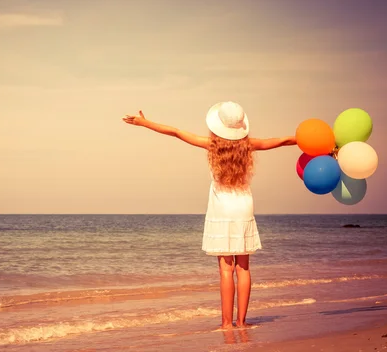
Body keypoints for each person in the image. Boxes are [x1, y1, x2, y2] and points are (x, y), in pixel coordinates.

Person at [122, 101, 296, 329]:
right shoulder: (249, 146)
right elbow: (283, 141)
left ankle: (226, 324)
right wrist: (313, 142)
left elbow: (175, 132)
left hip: (222, 207)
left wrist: (145, 123)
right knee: (243, 267)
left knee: (226, 269)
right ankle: (242, 322)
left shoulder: (211, 146)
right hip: (243, 205)